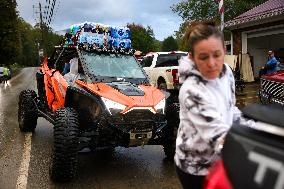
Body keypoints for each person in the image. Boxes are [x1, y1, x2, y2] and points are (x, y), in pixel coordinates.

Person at [175, 21, 254, 189]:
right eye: (203, 57)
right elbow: (217, 136)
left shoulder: (226, 72)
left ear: (225, 51)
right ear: (192, 57)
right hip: (196, 168)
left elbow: (230, 109)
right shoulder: (191, 91)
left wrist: (259, 128)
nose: (212, 64)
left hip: (222, 158)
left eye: (217, 55)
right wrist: (260, 147)